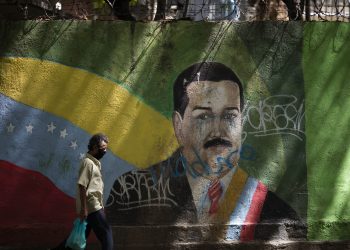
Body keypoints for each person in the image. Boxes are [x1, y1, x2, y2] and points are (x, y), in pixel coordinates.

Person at [106, 62, 306, 240]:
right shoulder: (131, 193)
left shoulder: (276, 212)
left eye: (229, 116)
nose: (218, 130)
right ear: (178, 126)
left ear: (242, 124)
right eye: (203, 117)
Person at [53, 133, 113, 250]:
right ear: (95, 147)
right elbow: (82, 185)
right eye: (103, 148)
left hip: (94, 205)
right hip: (91, 205)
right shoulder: (88, 163)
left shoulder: (94, 163)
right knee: (106, 232)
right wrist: (84, 208)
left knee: (80, 234)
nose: (105, 151)